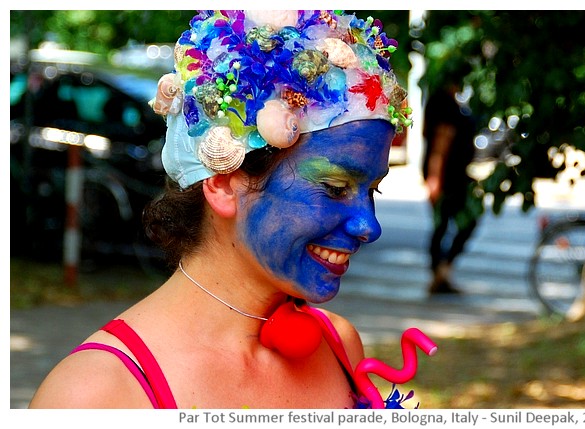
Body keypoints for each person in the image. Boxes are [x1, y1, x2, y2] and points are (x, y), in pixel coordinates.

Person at [29, 10, 429, 409]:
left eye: (372, 190)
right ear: (222, 182)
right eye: (335, 186)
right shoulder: (93, 395)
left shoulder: (338, 344)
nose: (369, 226)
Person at [422, 71, 477, 295]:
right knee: (449, 224)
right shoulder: (446, 106)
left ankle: (441, 274)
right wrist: (435, 179)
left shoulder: (444, 104)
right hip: (448, 178)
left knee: (444, 225)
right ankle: (440, 273)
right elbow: (440, 146)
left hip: (452, 176)